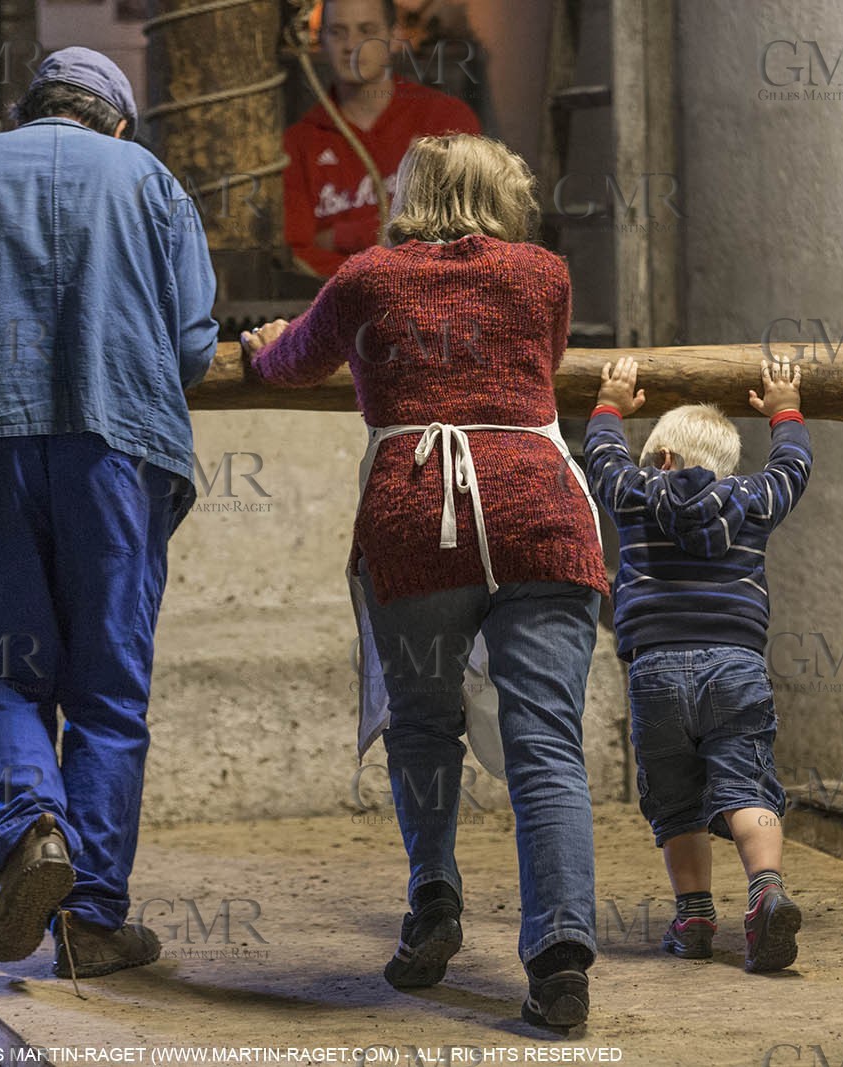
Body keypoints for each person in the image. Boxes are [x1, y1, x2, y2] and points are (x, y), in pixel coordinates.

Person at [0, 48, 217, 978]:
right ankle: (93, 920)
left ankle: (31, 829)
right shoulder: (154, 184)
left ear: (25, 112)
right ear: (118, 123)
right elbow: (188, 347)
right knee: (108, 689)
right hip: (119, 450)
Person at [243, 133, 606, 1029]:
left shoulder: (369, 277)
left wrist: (260, 347)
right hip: (540, 510)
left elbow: (294, 364)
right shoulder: (543, 275)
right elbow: (539, 368)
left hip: (417, 520)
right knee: (547, 744)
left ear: (411, 193)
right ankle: (559, 960)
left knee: (423, 725)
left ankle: (435, 902)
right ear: (500, 194)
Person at [583, 356, 813, 973]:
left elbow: (600, 460)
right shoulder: (755, 500)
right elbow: (794, 467)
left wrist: (609, 404)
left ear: (660, 459)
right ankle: (765, 891)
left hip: (655, 672)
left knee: (675, 798)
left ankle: (694, 919)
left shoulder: (634, 495)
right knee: (746, 782)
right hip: (736, 668)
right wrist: (785, 409)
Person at [284, 0, 480, 276]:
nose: (352, 45)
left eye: (366, 30)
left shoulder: (445, 121)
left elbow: (460, 233)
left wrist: (340, 236)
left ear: (393, 36)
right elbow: (296, 256)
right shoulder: (298, 143)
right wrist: (390, 258)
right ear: (321, 41)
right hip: (339, 307)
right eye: (338, 32)